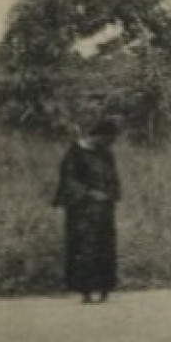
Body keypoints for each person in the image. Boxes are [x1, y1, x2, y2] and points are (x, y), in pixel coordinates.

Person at [52, 118, 122, 304]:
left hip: (104, 210)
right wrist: (90, 194)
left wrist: (109, 195)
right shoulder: (75, 153)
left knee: (105, 248)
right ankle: (86, 291)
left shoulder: (106, 154)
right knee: (84, 249)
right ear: (99, 135)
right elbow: (69, 180)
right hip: (82, 212)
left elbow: (114, 179)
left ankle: (105, 289)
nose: (110, 143)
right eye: (108, 139)